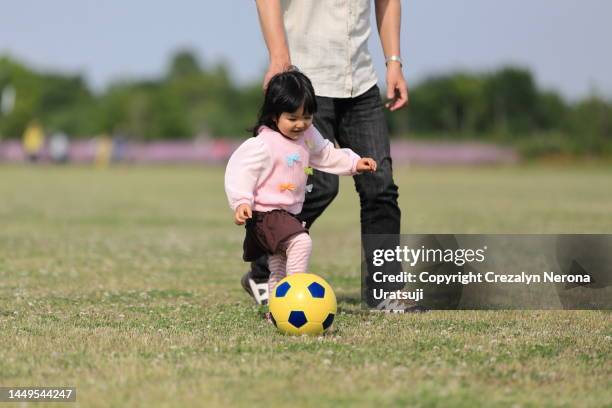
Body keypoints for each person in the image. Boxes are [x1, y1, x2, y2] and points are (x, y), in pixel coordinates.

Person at [243, 0, 417, 312]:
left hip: (361, 81)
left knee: (381, 187)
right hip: (307, 81)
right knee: (318, 186)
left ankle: (385, 292)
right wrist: (279, 57)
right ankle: (263, 267)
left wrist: (394, 62)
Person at [225, 70, 377, 318]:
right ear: (275, 116)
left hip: (289, 214)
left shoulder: (307, 136)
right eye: (292, 118)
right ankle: (296, 295)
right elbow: (239, 171)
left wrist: (353, 163)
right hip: (265, 215)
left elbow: (326, 154)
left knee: (278, 265)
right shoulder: (264, 143)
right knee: (301, 243)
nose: (301, 124)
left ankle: (276, 310)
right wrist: (242, 201)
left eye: (307, 117)